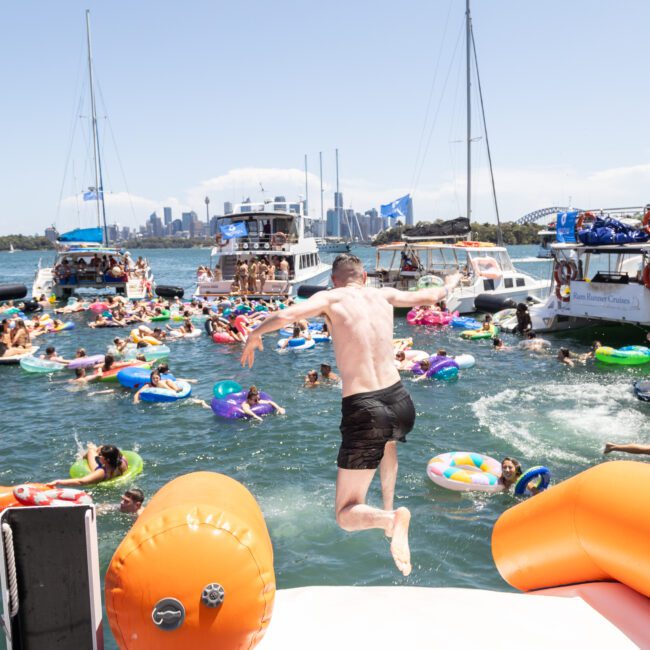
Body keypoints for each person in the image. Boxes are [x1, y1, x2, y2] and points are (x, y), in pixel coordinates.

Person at [241, 252, 461, 576]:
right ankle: (388, 512)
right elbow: (432, 295)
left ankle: (391, 518)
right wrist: (454, 281)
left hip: (366, 407)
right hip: (401, 401)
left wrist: (254, 333)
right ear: (365, 277)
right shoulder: (384, 294)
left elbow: (287, 314)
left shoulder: (331, 297)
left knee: (345, 514)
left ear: (334, 280)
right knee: (389, 444)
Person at [49, 444, 128, 486]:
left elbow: (81, 482)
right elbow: (116, 451)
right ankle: (98, 448)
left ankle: (89, 452)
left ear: (107, 460)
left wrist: (58, 482)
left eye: (100, 455)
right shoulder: (123, 462)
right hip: (112, 465)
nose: (99, 456)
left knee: (90, 450)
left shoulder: (101, 472)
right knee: (101, 447)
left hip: (105, 473)